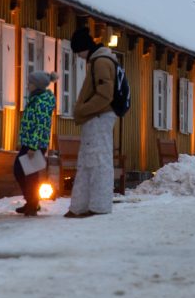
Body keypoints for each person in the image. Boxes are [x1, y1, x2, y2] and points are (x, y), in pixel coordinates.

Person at [64, 26, 118, 218]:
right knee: (88, 161)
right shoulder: (98, 61)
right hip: (95, 118)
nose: (78, 56)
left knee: (98, 162)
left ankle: (98, 206)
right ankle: (81, 206)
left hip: (99, 117)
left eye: (78, 52)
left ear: (84, 47)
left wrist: (82, 110)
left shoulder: (101, 62)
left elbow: (105, 95)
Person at [14, 70, 58, 217]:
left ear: (37, 85)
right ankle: (31, 202)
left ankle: (32, 204)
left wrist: (33, 146)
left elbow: (40, 124)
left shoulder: (41, 101)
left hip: (35, 143)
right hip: (31, 142)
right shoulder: (37, 98)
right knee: (25, 171)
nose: (28, 85)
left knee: (25, 171)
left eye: (30, 83)